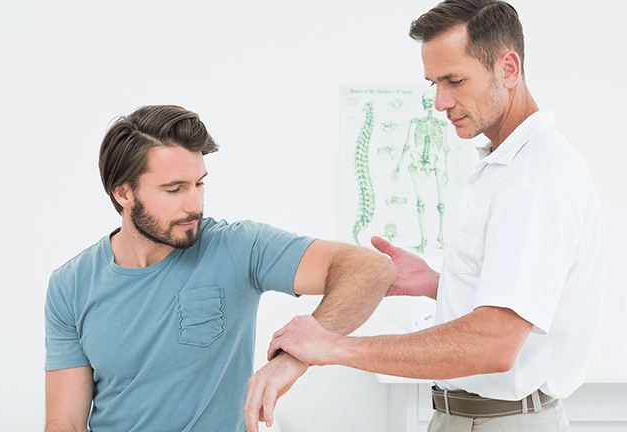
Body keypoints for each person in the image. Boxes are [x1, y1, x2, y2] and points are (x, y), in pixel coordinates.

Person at [263, 1, 606, 431]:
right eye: (434, 84)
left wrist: (334, 347)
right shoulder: (505, 166)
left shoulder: (532, 182)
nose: (441, 102)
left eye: (454, 81)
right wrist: (436, 285)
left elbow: (495, 343)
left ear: (509, 68)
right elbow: (520, 304)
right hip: (463, 416)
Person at [43, 104, 397, 432]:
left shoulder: (237, 247)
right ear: (123, 194)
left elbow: (371, 269)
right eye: (174, 189)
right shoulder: (70, 284)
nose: (194, 204)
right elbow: (66, 424)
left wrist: (294, 357)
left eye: (199, 183)